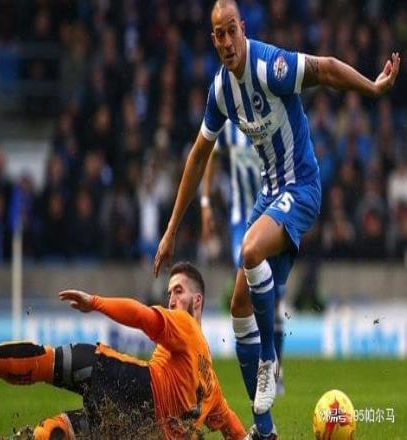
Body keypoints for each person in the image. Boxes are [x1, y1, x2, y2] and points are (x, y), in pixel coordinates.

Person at [153, 1, 400, 438]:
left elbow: (325, 69)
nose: (227, 41)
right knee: (238, 306)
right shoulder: (220, 91)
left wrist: (373, 88)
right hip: (268, 196)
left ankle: (269, 359)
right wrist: (172, 229)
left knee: (250, 250)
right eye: (219, 34)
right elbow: (198, 157)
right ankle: (264, 430)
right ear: (213, 40)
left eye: (232, 30)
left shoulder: (271, 67)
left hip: (302, 187)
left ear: (243, 29)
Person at [0, 262, 246, 439]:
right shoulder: (212, 388)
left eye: (178, 291)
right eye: (169, 293)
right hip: (141, 431)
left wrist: (96, 302)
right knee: (59, 432)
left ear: (197, 301)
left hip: (136, 388)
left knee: (54, 361)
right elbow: (233, 428)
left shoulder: (184, 324)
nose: (171, 300)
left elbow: (142, 316)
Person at [201, 120, 286, 396]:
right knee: (248, 292)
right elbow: (210, 153)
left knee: (275, 297)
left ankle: (275, 368)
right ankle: (263, 367)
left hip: (272, 217)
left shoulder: (271, 119)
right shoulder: (230, 126)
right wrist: (205, 203)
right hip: (242, 222)